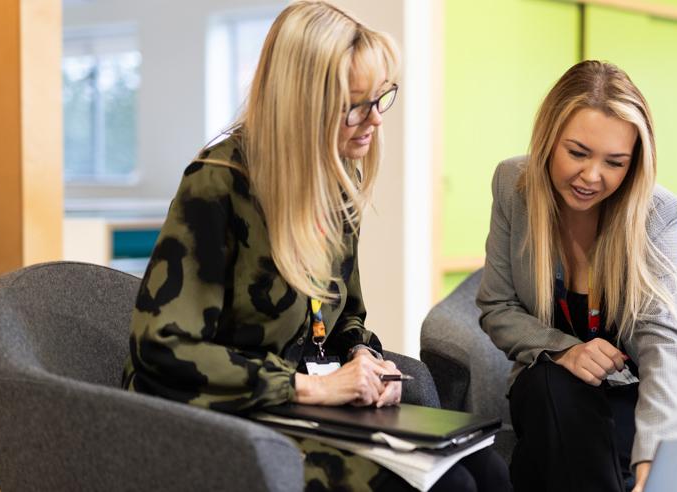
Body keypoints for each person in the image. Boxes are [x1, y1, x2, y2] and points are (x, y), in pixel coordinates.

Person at [122, 2, 508, 491]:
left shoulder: (337, 179)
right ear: (300, 105)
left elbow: (345, 315)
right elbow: (164, 346)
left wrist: (361, 357)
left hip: (298, 410)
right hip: (219, 419)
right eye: (355, 106)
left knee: (488, 472)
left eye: (381, 98)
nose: (375, 121)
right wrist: (313, 386)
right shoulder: (218, 184)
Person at [476, 60, 677, 492]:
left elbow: (665, 343)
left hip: (651, 387)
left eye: (615, 162)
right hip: (558, 386)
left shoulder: (656, 212)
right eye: (577, 152)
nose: (592, 176)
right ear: (547, 140)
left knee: (543, 459)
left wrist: (655, 455)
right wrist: (564, 349)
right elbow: (497, 306)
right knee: (546, 384)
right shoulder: (511, 184)